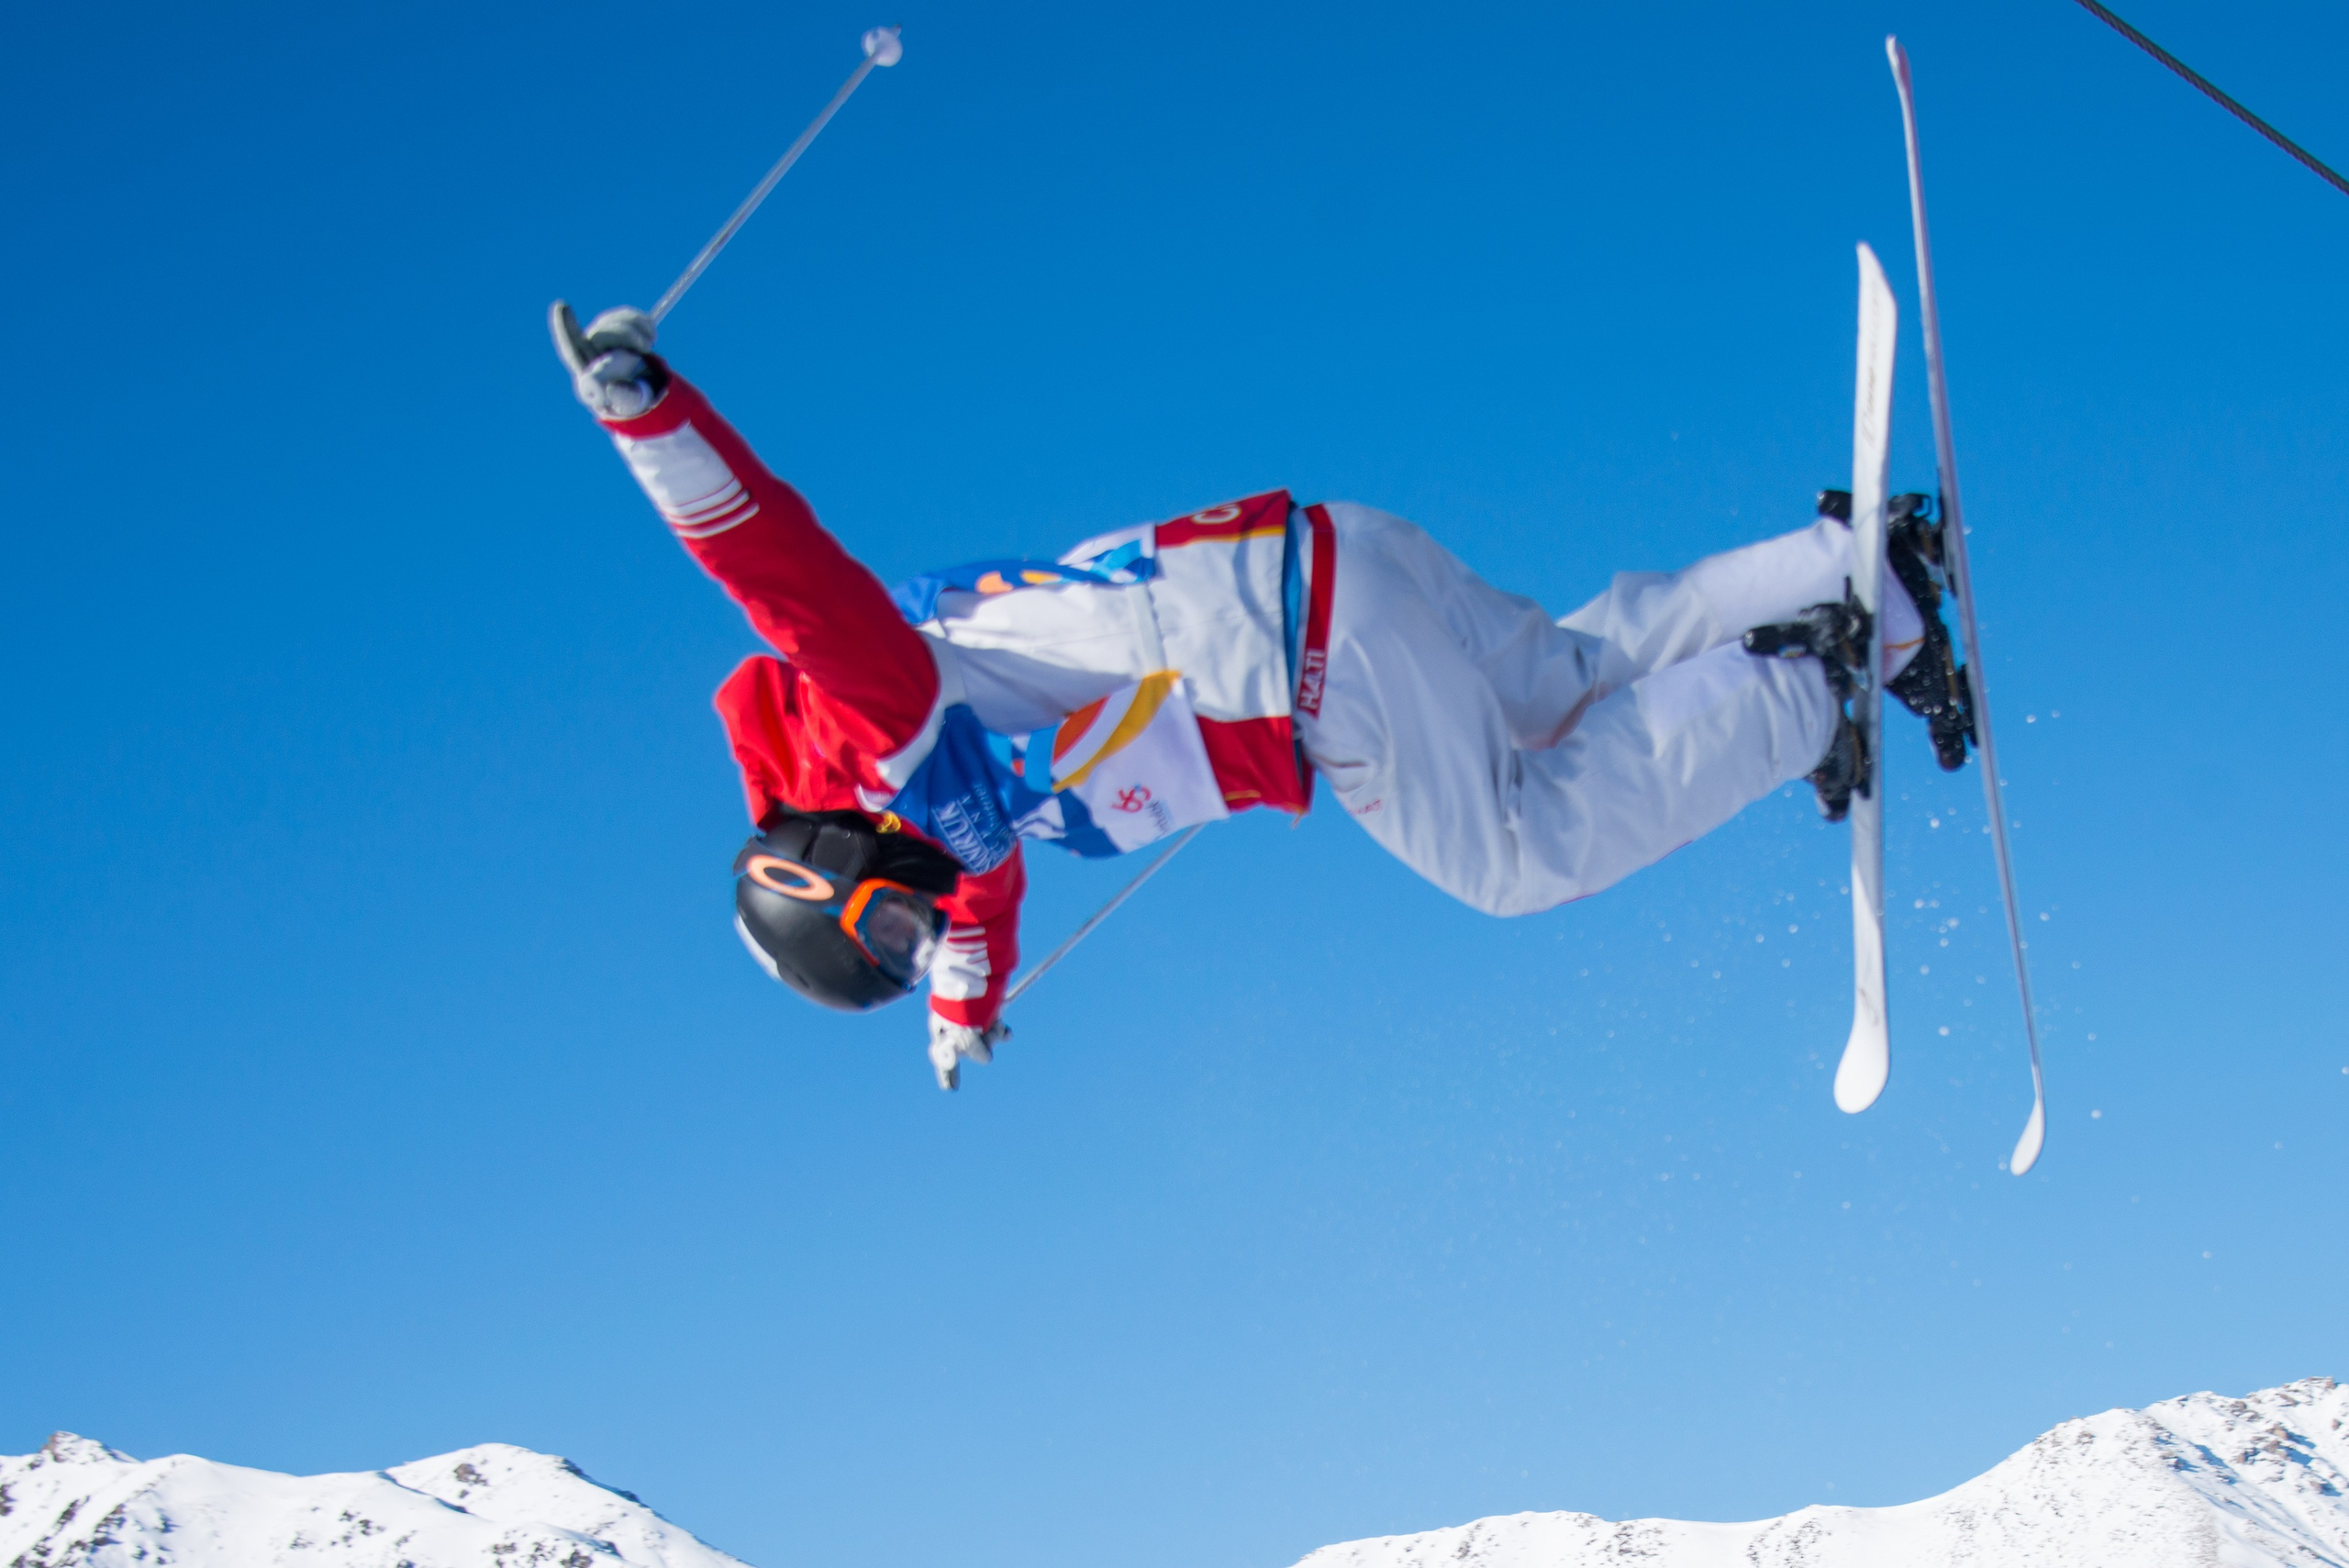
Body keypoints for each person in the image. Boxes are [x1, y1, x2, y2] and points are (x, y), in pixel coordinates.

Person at [551, 304, 1974, 1090]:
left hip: (1309, 671)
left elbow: (779, 568)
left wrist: (647, 419)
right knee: (1562, 681)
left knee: (1519, 853)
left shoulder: (872, 714)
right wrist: (960, 1004)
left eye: (892, 928)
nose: (923, 925)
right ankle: (1842, 562)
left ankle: (1817, 684)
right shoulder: (933, 813)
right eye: (909, 948)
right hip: (1330, 553)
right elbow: (981, 884)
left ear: (816, 861)